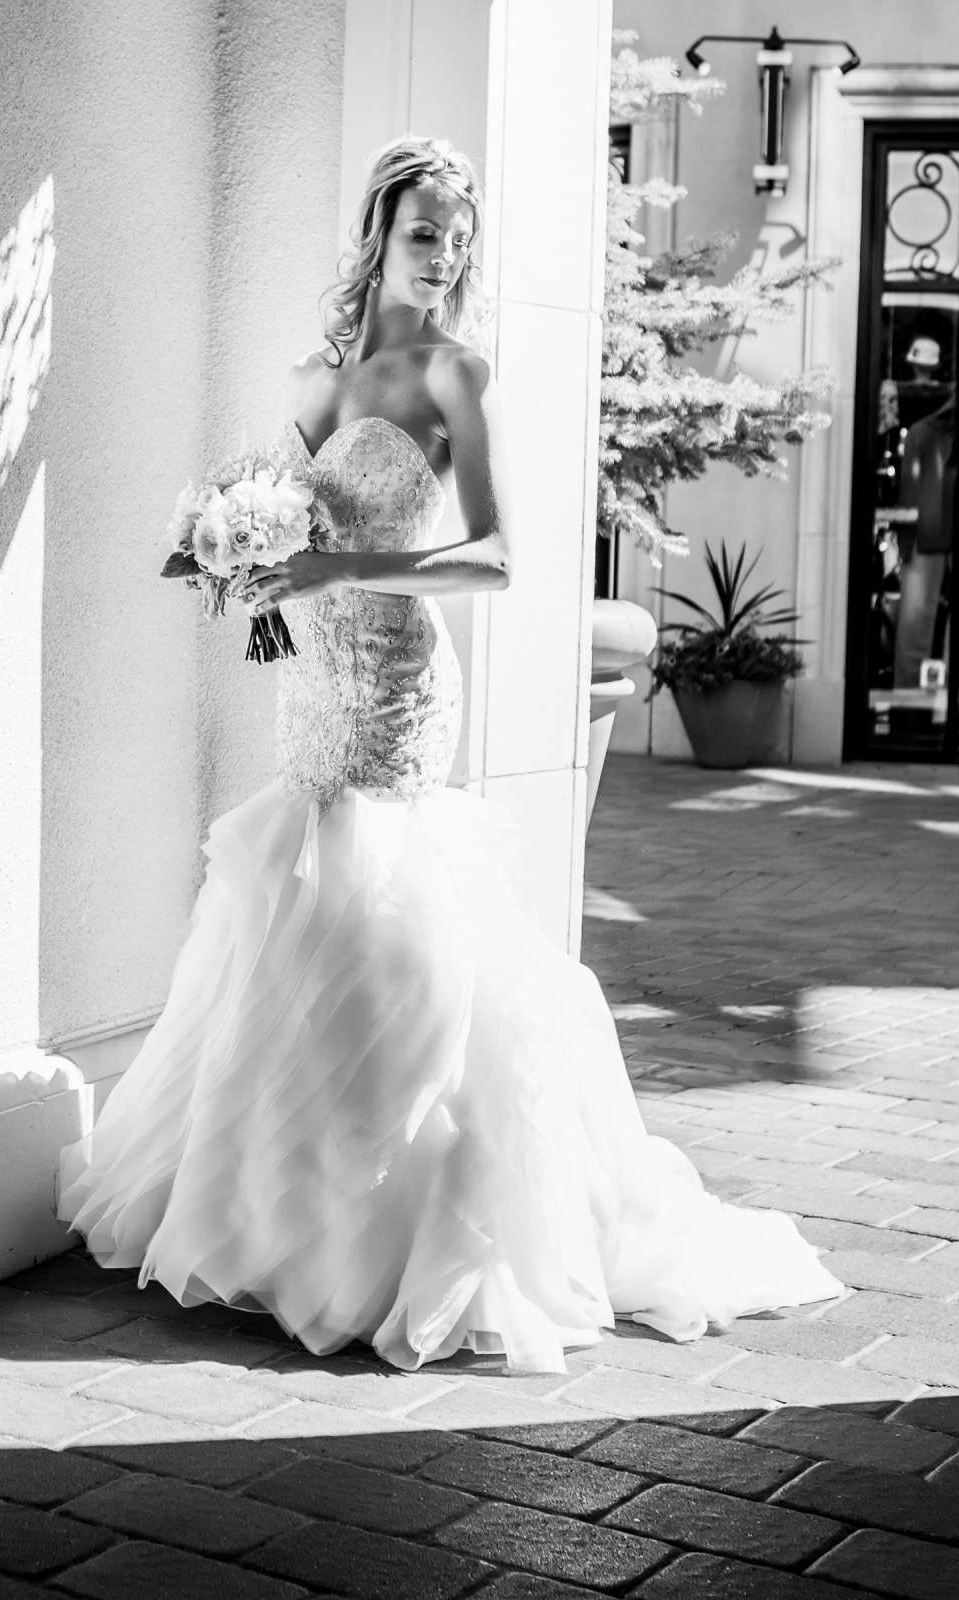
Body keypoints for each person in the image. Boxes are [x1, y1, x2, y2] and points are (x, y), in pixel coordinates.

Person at [58, 137, 841, 1375]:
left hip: (404, 682)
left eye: (457, 239)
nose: (444, 254)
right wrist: (254, 578)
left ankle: (396, 1224)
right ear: (378, 233)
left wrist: (336, 569)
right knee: (301, 910)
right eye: (426, 232)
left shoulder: (453, 378)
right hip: (314, 679)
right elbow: (293, 516)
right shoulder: (317, 385)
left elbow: (496, 559)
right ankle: (287, 1217)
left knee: (391, 912)